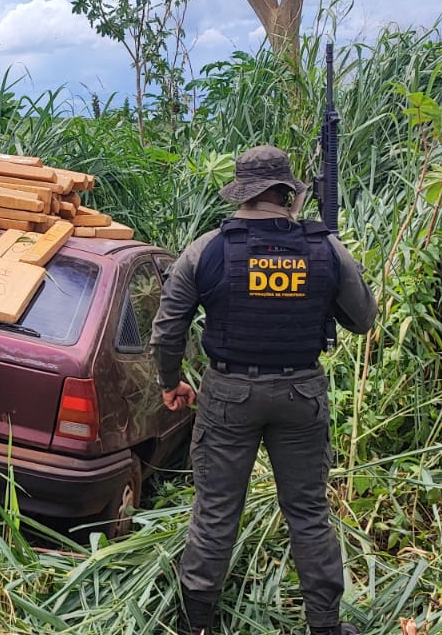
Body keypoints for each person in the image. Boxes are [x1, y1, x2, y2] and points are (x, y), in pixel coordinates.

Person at [150, 145, 377, 635]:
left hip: (229, 394)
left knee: (214, 512)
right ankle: (325, 627)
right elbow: (363, 320)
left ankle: (196, 627)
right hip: (301, 394)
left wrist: (171, 382)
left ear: (245, 195)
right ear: (287, 193)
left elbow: (168, 329)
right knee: (309, 512)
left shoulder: (207, 248)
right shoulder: (326, 247)